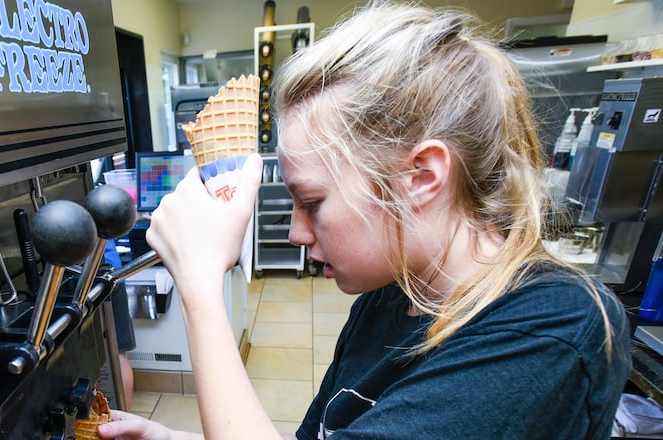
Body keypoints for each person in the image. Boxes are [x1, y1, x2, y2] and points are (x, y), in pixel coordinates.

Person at [98, 2, 632, 439]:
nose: (296, 233)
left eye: (312, 202)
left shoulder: (548, 335)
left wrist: (199, 286)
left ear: (420, 176)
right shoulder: (397, 290)